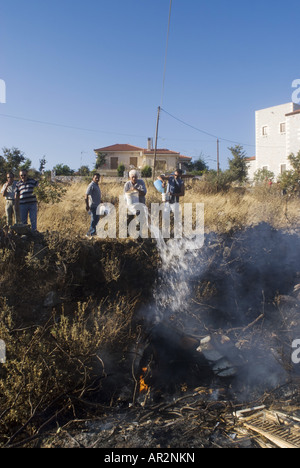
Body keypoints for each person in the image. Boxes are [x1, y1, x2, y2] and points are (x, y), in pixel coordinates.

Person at [85, 173, 101, 237]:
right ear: (93, 178)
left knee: (96, 220)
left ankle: (93, 233)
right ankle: (89, 234)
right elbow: (86, 195)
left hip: (98, 205)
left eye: (98, 178)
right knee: (93, 220)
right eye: (96, 178)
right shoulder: (91, 185)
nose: (97, 179)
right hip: (93, 206)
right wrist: (87, 205)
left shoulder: (96, 185)